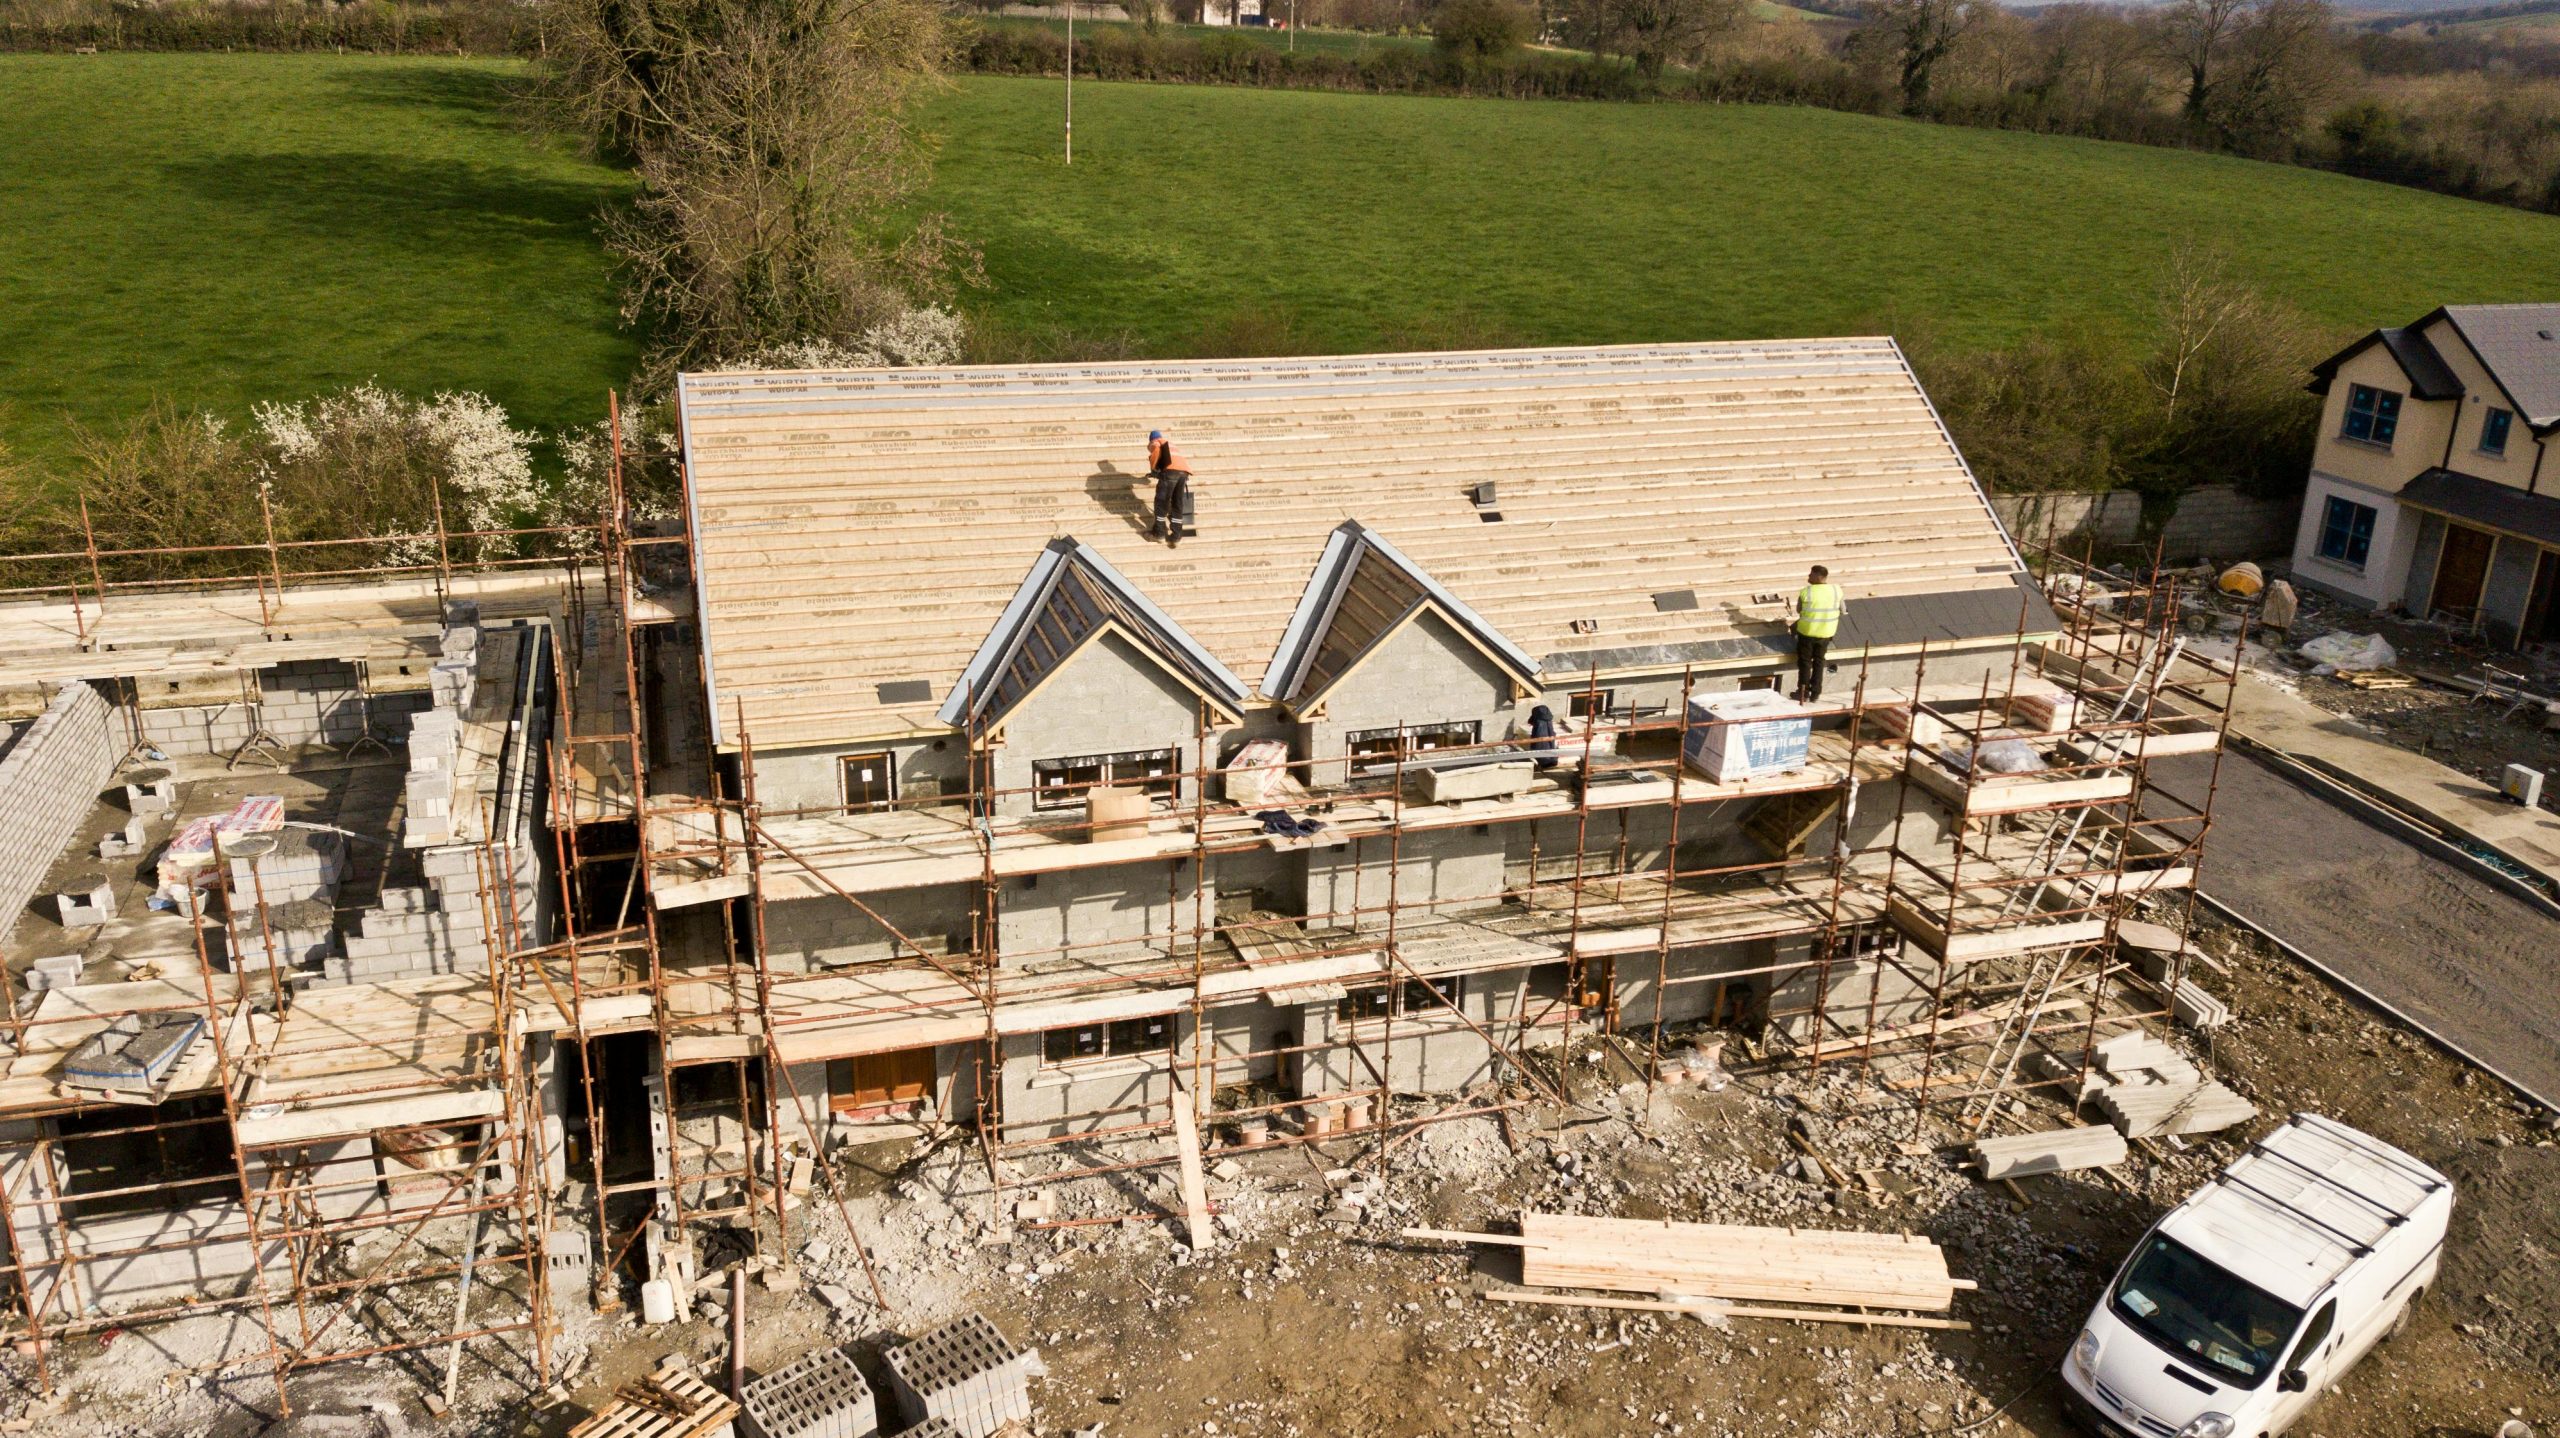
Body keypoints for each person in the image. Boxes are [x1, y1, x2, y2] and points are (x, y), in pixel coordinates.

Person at [1787, 564, 1844, 703]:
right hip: (1826, 633)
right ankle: (1815, 693)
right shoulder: (1836, 590)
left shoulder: (1806, 592)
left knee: (1805, 663)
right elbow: (1843, 609)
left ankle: (1803, 692)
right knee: (1819, 662)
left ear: (1818, 576)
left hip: (1807, 633)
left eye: (1811, 574)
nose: (1808, 576)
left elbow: (1799, 610)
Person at [1145, 429, 1192, 546]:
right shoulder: (1171, 444)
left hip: (1170, 473)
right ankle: (1176, 537)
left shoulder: (1156, 442)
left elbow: (1155, 450)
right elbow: (1172, 461)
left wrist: (1153, 469)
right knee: (1177, 503)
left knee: (1161, 503)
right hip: (1183, 473)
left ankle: (1159, 534)